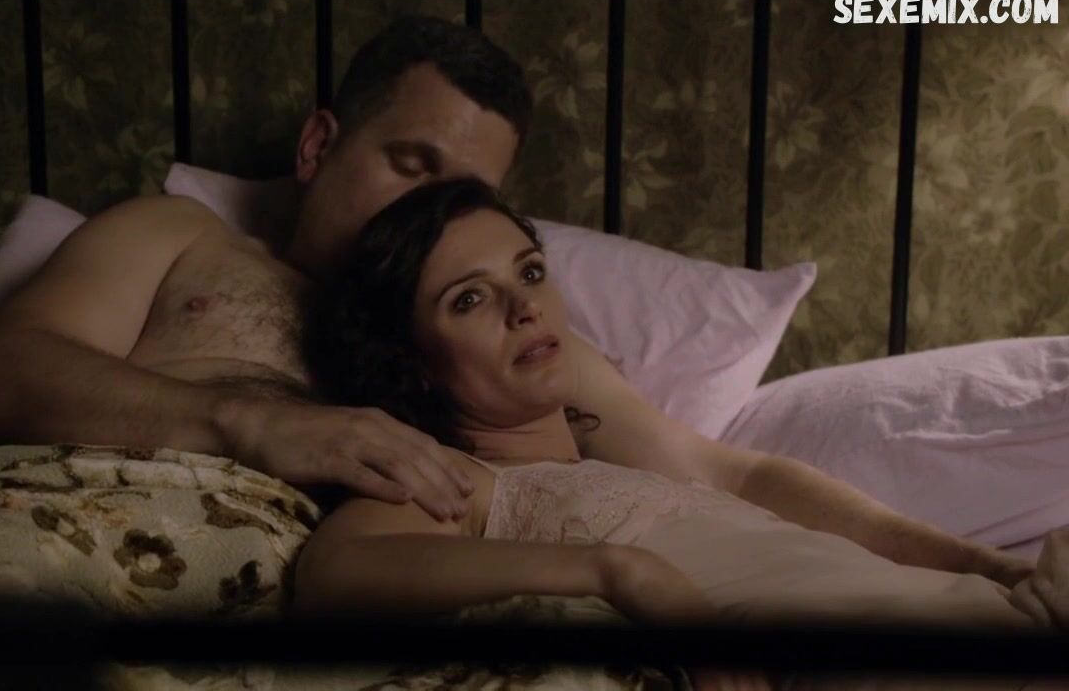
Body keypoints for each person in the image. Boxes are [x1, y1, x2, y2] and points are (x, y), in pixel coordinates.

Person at [0, 16, 1034, 588]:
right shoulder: (177, 237)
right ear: (319, 144)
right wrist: (251, 422)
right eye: (408, 164)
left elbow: (727, 474)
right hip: (70, 535)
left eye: (463, 192)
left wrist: (984, 573)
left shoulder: (513, 350)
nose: (430, 210)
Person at [293, 177, 1063, 690]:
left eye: (529, 273)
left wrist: (995, 570)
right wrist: (617, 572)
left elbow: (747, 476)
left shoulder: (625, 461)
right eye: (469, 300)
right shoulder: (462, 482)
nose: (524, 308)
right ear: (410, 362)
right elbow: (335, 571)